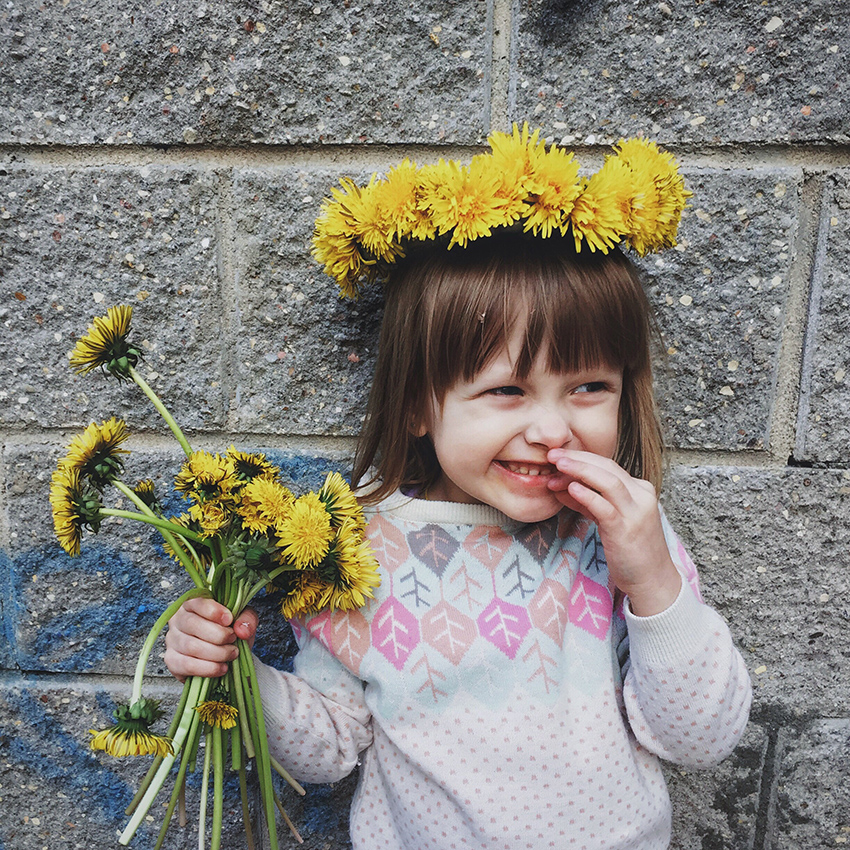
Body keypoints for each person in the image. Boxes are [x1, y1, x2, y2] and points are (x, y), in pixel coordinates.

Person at [165, 128, 752, 849]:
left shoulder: (625, 535)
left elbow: (701, 738)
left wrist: (657, 584)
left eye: (590, 387)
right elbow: (329, 751)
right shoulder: (360, 551)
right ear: (417, 402)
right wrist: (236, 673)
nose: (553, 430)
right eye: (507, 389)